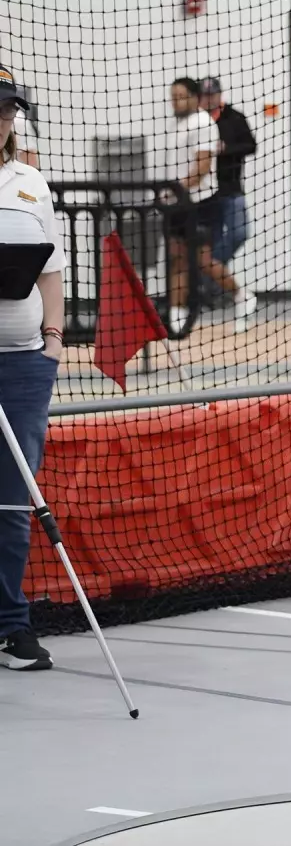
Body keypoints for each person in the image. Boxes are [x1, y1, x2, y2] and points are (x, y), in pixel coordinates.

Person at [0, 64, 67, 671]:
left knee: (14, 500)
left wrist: (51, 341)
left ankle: (10, 626)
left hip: (23, 363)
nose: (0, 120)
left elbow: (50, 269)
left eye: (6, 110)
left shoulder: (31, 184)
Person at [161, 77, 253, 333]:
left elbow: (201, 168)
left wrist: (177, 189)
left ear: (194, 97)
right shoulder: (175, 125)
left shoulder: (203, 124)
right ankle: (176, 316)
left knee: (203, 260)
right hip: (178, 203)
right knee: (177, 258)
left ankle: (242, 295)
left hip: (200, 203)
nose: (176, 102)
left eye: (181, 96)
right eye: (173, 97)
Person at [199, 76, 258, 332]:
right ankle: (211, 282)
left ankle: (210, 278)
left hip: (231, 190)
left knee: (239, 233)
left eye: (213, 94)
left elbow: (250, 145)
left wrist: (226, 149)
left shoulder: (234, 118)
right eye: (205, 94)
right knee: (205, 244)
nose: (209, 98)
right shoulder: (197, 122)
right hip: (205, 195)